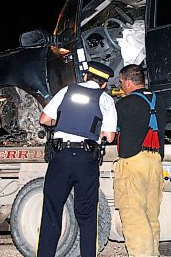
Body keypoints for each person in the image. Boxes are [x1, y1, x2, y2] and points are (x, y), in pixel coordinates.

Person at [36, 61, 118, 257]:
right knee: (87, 216)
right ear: (104, 84)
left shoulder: (67, 91)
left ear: (85, 76)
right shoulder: (106, 100)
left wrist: (62, 122)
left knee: (51, 212)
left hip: (61, 158)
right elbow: (110, 136)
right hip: (86, 160)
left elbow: (44, 119)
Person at [114, 64, 166, 257]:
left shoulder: (123, 104)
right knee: (151, 217)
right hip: (155, 163)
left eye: (121, 82)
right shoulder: (159, 101)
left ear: (128, 82)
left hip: (133, 163)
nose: (121, 86)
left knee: (134, 218)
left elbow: (111, 133)